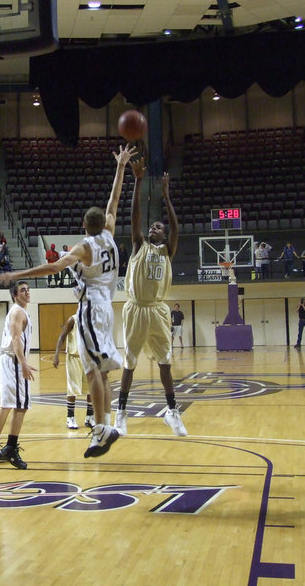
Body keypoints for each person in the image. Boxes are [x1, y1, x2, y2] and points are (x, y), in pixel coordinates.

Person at [0, 144, 135, 458]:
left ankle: (100, 429)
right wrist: (121, 167)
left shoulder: (85, 247)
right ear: (104, 222)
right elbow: (114, 200)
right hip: (108, 310)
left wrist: (18, 272)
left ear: (85, 226)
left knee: (90, 372)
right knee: (103, 372)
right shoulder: (111, 234)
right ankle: (104, 424)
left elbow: (53, 267)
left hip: (89, 309)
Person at [113, 164, 187, 437]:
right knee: (129, 363)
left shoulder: (168, 250)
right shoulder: (138, 245)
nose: (153, 228)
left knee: (165, 362)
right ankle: (120, 413)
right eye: (152, 226)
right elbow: (134, 216)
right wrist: (138, 181)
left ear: (164, 235)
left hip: (158, 310)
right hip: (135, 308)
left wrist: (167, 198)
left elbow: (176, 228)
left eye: (158, 227)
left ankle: (172, 411)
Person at [0, 281, 36, 469]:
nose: (27, 292)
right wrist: (23, 364)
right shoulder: (17, 312)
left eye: (28, 289)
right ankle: (11, 448)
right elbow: (15, 339)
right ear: (15, 295)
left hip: (9, 360)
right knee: (21, 406)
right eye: (23, 290)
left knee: (7, 404)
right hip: (13, 361)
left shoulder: (19, 311)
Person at [53, 315, 94, 430]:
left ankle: (90, 416)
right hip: (74, 357)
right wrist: (56, 355)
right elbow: (62, 337)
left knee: (90, 388)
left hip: (89, 358)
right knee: (72, 388)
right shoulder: (73, 319)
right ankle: (70, 417)